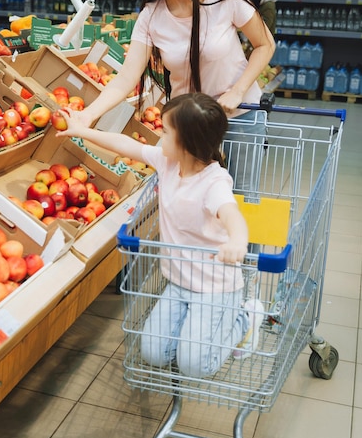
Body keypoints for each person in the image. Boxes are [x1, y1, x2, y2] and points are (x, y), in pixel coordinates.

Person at [56, 92, 264, 378]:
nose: (158, 135)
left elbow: (232, 215)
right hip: (178, 282)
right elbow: (126, 145)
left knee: (194, 366)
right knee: (154, 353)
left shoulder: (214, 182)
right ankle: (197, 331)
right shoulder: (169, 163)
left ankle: (245, 319)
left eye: (165, 132)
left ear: (188, 143)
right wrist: (82, 131)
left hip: (216, 288)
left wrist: (238, 241)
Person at [74, 0, 275, 138]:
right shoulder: (151, 16)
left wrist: (238, 91)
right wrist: (87, 115)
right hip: (188, 122)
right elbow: (126, 78)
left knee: (238, 174)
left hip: (239, 117)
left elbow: (265, 44)